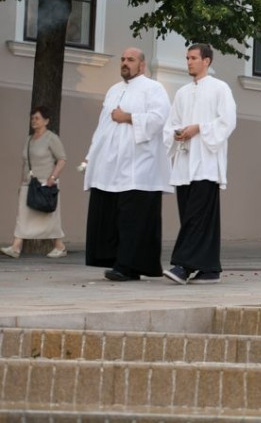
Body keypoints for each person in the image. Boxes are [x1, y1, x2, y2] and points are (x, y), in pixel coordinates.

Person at [84, 47, 172, 281]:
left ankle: (128, 266)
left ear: (142, 65)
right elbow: (103, 126)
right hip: (111, 165)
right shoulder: (113, 90)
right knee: (112, 215)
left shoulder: (153, 88)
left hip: (139, 166)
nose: (125, 63)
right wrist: (92, 154)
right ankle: (116, 261)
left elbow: (159, 118)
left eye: (130, 60)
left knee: (133, 219)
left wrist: (129, 117)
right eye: (123, 59)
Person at [162, 43, 237, 285]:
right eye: (187, 58)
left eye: (193, 58)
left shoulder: (220, 88)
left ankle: (182, 266)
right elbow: (171, 123)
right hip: (185, 161)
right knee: (192, 216)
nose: (189, 62)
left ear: (207, 61)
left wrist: (199, 128)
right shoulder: (182, 93)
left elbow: (227, 121)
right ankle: (209, 269)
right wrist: (177, 133)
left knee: (196, 216)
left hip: (206, 162)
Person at [1, 106, 67, 259]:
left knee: (49, 217)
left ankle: (59, 246)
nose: (34, 121)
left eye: (37, 118)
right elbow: (25, 163)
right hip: (29, 183)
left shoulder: (51, 138)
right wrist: (21, 183)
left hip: (45, 184)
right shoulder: (29, 139)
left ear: (46, 121)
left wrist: (52, 178)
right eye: (32, 118)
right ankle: (16, 247)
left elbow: (62, 159)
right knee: (22, 215)